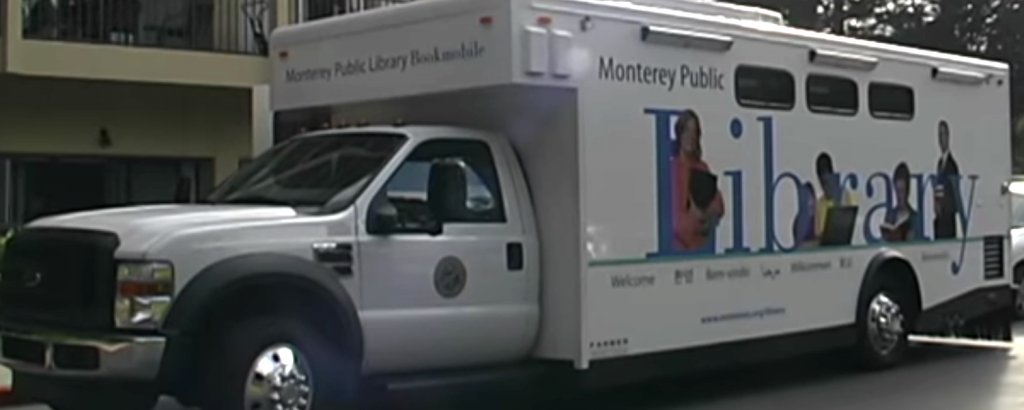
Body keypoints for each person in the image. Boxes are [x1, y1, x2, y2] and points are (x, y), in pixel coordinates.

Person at [672, 110, 724, 251]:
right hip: (679, 249)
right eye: (687, 131)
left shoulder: (702, 167)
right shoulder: (672, 169)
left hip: (701, 249)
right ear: (680, 134)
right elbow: (675, 222)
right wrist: (695, 220)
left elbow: (719, 205)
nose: (691, 137)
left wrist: (704, 214)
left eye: (694, 132)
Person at [813, 152, 857, 240]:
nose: (824, 186)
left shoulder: (844, 196)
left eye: (826, 182)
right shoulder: (819, 204)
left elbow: (846, 228)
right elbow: (818, 236)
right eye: (822, 182)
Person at [933, 120, 960, 239]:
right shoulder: (940, 163)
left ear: (948, 137)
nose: (941, 139)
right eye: (939, 135)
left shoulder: (952, 165)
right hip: (940, 216)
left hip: (947, 217)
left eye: (943, 135)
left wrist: (943, 208)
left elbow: (953, 192)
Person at [882, 162, 919, 242]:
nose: (899, 196)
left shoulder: (915, 218)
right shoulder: (890, 216)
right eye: (897, 191)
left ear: (907, 191)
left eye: (902, 191)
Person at [792, 182, 817, 248]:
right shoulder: (800, 221)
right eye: (807, 198)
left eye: (811, 198)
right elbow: (799, 245)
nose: (810, 202)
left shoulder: (818, 217)